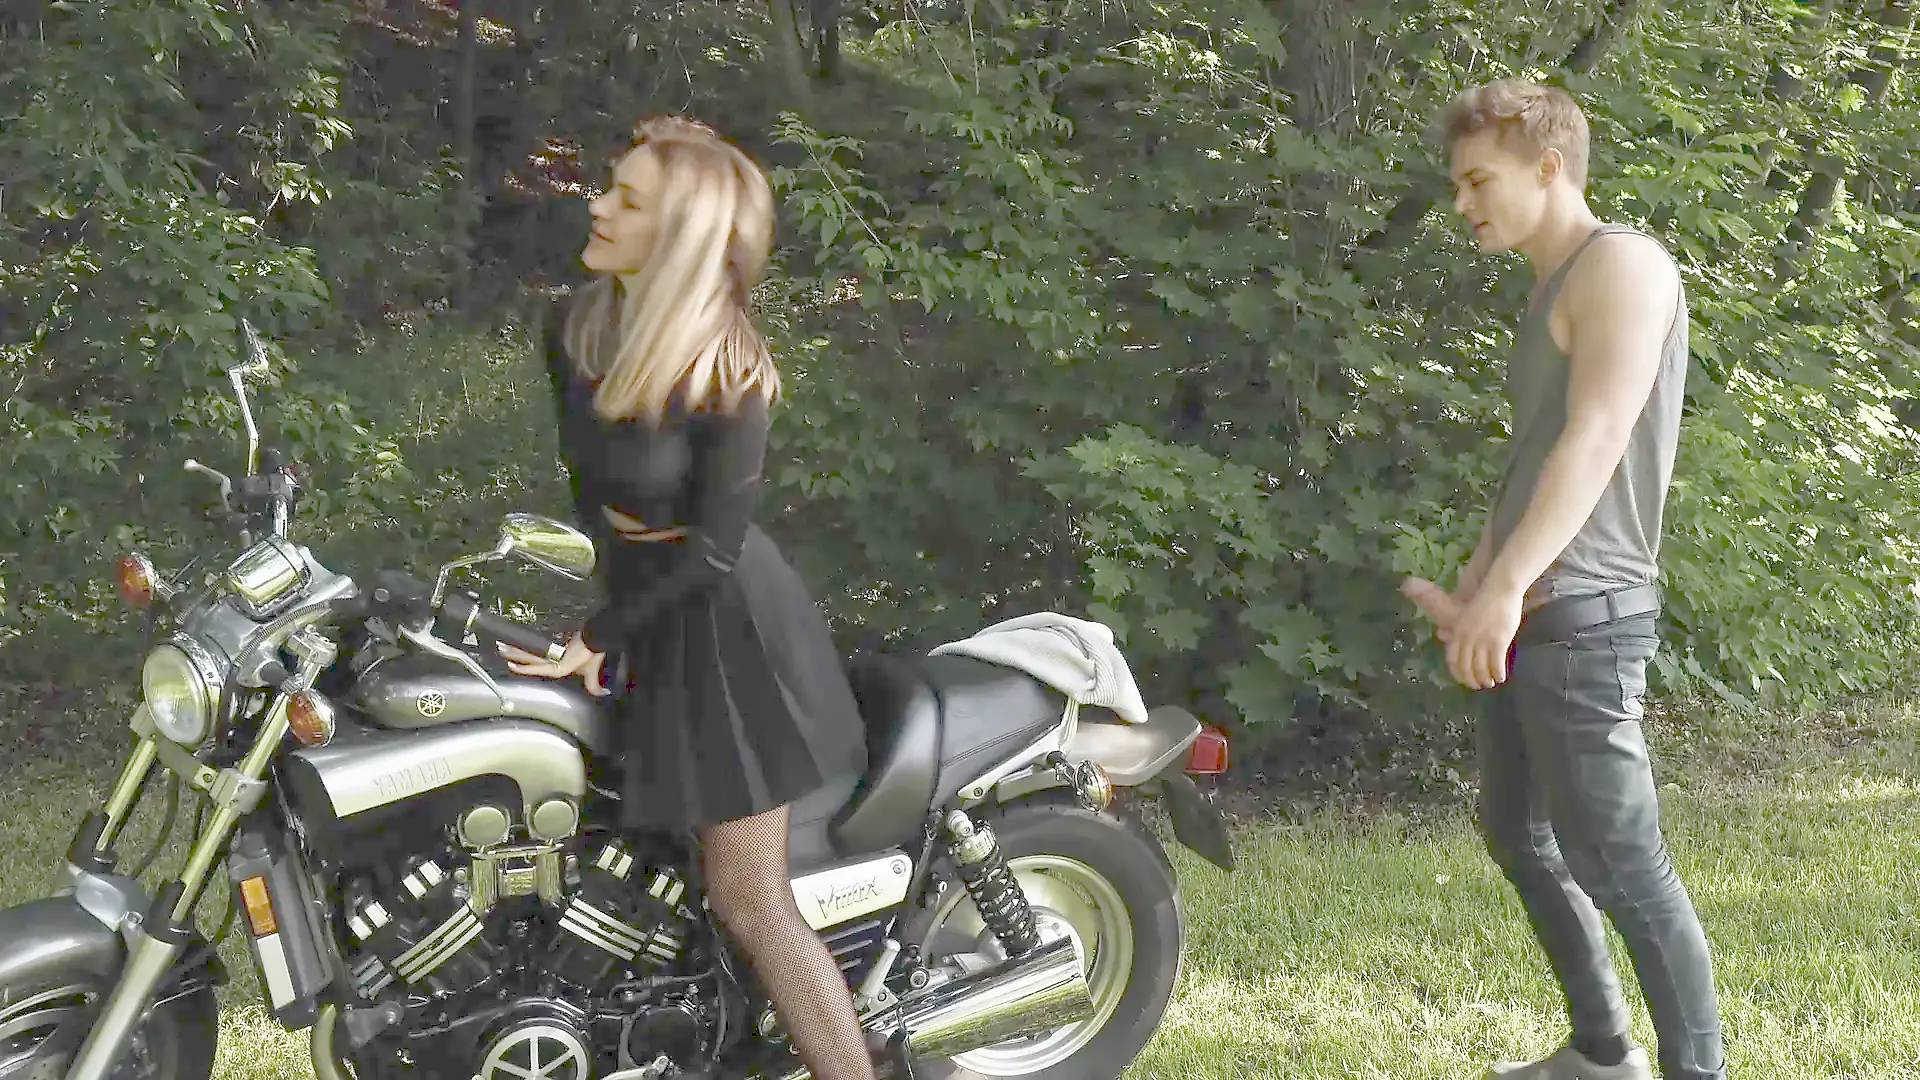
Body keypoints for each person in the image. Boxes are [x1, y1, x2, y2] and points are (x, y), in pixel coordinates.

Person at [496, 116, 878, 1080]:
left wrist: (603, 631)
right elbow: (593, 502)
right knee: (633, 848)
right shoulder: (576, 328)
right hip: (643, 609)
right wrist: (602, 621)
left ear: (678, 234)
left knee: (749, 897)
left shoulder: (729, 368)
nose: (597, 206)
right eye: (609, 187)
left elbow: (714, 550)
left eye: (626, 199)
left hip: (727, 634)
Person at [1400, 80, 1726, 1080]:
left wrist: (1508, 588)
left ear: (1549, 166)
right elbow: (1536, 455)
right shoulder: (1547, 291)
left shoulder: (1622, 265)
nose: (1462, 203)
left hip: (1588, 615)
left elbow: (1596, 437)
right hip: (1533, 610)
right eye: (1458, 185)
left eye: (1477, 180)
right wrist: (1480, 581)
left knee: (1624, 864)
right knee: (1516, 832)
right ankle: (1602, 1052)